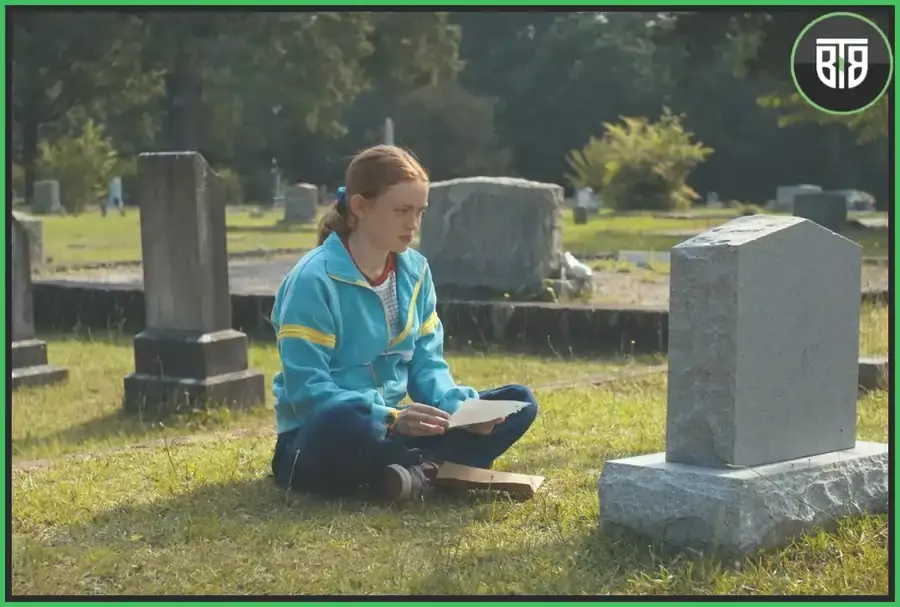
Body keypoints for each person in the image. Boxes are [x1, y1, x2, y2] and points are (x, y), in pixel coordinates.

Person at [269, 145, 539, 503]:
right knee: (350, 421)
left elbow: (428, 363)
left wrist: (461, 411)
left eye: (420, 212)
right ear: (361, 207)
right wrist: (392, 418)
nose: (412, 224)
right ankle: (433, 470)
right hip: (321, 436)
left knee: (519, 402)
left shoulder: (415, 271)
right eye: (401, 211)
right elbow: (307, 392)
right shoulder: (313, 280)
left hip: (394, 433)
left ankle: (411, 473)